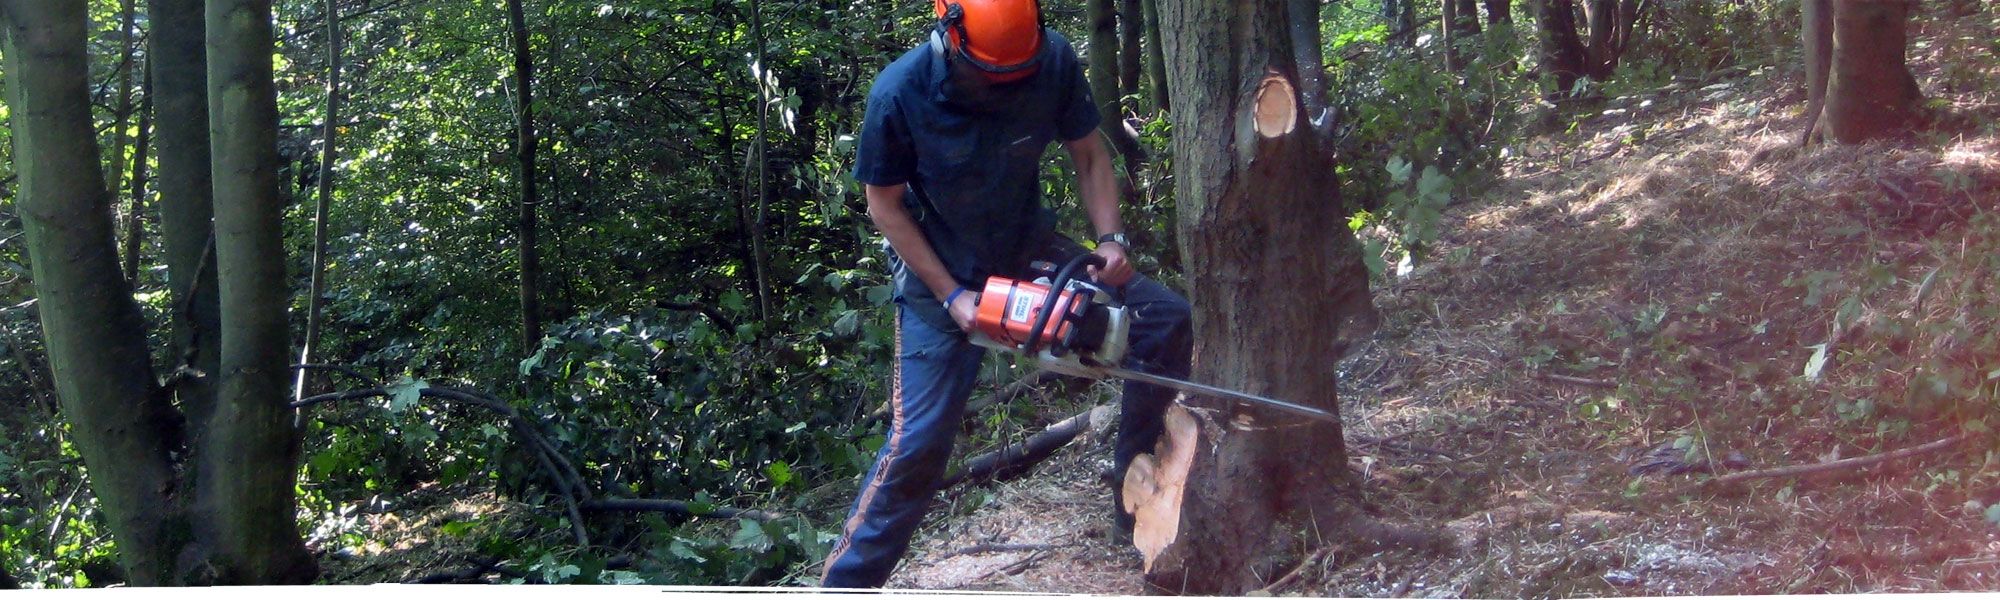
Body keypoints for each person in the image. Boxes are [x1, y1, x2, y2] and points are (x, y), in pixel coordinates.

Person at [819, 0, 1193, 588]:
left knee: (1163, 319)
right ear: (949, 38)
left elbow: (1090, 152)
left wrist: (1111, 239)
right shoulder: (899, 94)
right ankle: (846, 584)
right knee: (918, 442)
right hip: (937, 271)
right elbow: (884, 207)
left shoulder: (1052, 61)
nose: (1001, 86)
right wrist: (951, 297)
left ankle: (1135, 493)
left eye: (1014, 75)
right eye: (988, 75)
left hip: (1024, 246)